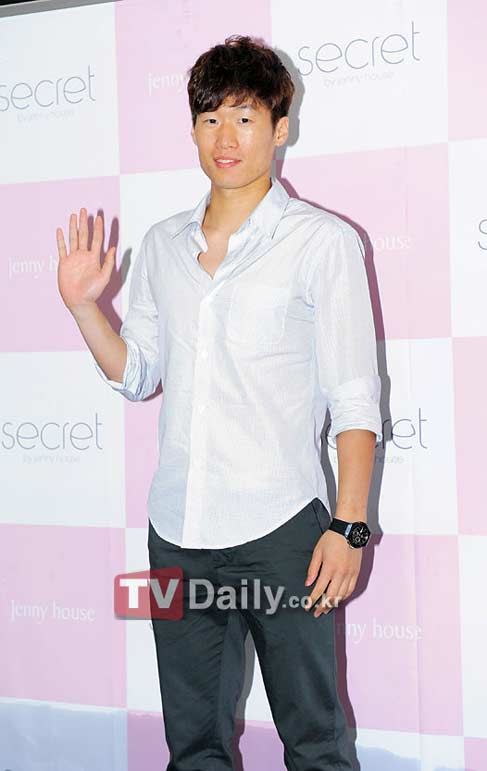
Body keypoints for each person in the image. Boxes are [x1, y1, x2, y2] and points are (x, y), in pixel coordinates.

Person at [56, 34, 382, 771]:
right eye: (210, 119)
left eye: (244, 117)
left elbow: (355, 396)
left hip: (283, 533)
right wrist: (84, 308)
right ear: (194, 129)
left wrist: (350, 525)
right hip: (177, 530)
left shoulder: (321, 242)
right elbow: (137, 373)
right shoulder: (162, 244)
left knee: (316, 741)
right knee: (193, 745)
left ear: (280, 127)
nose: (225, 137)